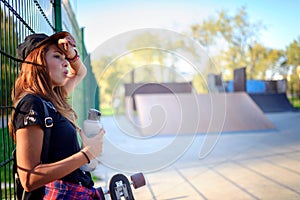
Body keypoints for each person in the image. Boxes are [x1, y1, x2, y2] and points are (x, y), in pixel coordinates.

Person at [8, 31, 105, 199]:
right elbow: (29, 178)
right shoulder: (31, 104)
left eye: (64, 58)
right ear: (37, 62)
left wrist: (71, 53)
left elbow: (80, 72)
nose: (66, 62)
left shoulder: (53, 100)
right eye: (57, 56)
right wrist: (86, 155)